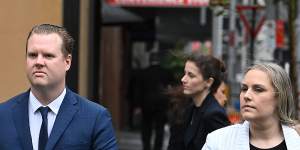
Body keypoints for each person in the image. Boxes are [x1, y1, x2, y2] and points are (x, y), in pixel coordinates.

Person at [0, 24, 118, 150]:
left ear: (67, 62)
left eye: (48, 56)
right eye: (33, 55)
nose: (38, 62)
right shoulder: (3, 115)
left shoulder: (95, 118)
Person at [202, 63, 300, 150]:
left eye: (258, 89)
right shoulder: (218, 141)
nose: (246, 96)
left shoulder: (296, 140)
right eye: (244, 89)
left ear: (280, 97)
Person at [168, 54, 230, 150]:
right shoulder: (192, 108)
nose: (183, 79)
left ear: (208, 82)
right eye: (185, 73)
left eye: (191, 75)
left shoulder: (213, 113)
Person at [138, 52, 174, 150]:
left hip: (146, 104)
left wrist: (138, 105)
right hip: (161, 104)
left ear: (150, 60)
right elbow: (170, 88)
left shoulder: (143, 73)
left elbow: (139, 90)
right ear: (159, 60)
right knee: (160, 128)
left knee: (146, 127)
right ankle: (157, 148)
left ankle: (146, 147)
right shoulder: (165, 72)